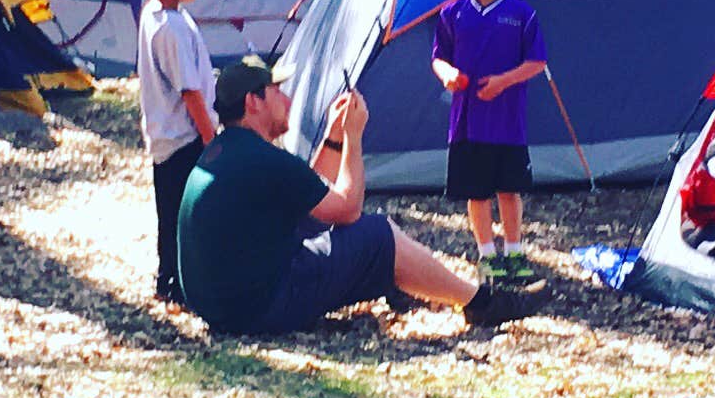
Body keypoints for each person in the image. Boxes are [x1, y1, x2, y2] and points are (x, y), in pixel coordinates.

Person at [177, 56, 537, 339]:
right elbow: (348, 209)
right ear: (253, 102)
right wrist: (353, 137)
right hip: (257, 309)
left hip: (221, 307)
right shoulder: (263, 157)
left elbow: (306, 191)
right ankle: (481, 303)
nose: (287, 99)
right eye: (277, 91)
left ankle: (401, 281)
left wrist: (334, 136)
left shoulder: (229, 150)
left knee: (318, 221)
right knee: (378, 233)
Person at [431, 0, 548, 266]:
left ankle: (514, 251)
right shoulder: (451, 14)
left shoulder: (522, 14)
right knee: (476, 192)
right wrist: (447, 74)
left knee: (509, 190)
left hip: (508, 123)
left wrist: (503, 82)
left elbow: (537, 62)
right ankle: (486, 255)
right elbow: (438, 57)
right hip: (467, 123)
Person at [138, 0, 215, 304]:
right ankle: (175, 283)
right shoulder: (169, 27)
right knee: (182, 215)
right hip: (182, 138)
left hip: (166, 136)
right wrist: (211, 138)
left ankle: (171, 279)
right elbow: (190, 91)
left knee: (171, 211)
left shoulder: (163, 16)